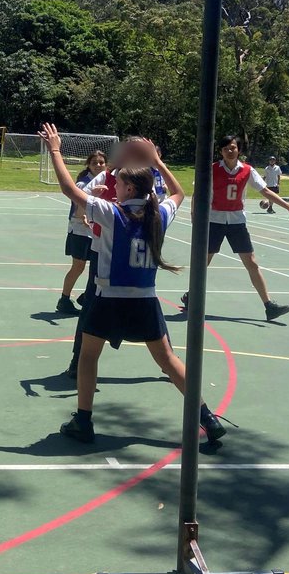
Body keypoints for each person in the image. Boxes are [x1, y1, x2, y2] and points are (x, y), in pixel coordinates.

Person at [40, 124, 226, 446]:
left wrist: (56, 150)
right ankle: (207, 416)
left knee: (88, 356)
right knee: (168, 361)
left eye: (120, 183)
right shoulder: (158, 215)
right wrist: (158, 162)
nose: (116, 187)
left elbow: (69, 189)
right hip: (145, 302)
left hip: (108, 299)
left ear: (127, 188)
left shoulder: (111, 213)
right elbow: (179, 193)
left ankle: (83, 420)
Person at [180, 134, 289, 321]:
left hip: (237, 221)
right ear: (221, 152)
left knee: (251, 263)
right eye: (226, 149)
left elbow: (265, 190)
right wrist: (194, 215)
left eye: (233, 147)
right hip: (214, 220)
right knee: (203, 262)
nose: (230, 151)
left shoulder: (247, 170)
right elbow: (198, 193)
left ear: (238, 149)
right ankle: (191, 295)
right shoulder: (212, 169)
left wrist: (288, 207)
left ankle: (269, 306)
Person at [66, 137, 157, 376]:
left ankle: (166, 359)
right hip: (104, 254)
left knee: (147, 309)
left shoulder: (146, 178)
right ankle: (78, 359)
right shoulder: (107, 176)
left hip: (136, 256)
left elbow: (162, 205)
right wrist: (88, 206)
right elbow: (79, 199)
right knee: (90, 310)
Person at [56, 149, 107, 315]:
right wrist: (86, 217)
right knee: (78, 267)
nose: (98, 165)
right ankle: (64, 299)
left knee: (98, 267)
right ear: (88, 165)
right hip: (80, 231)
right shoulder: (83, 184)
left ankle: (87, 297)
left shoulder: (106, 181)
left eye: (101, 162)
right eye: (94, 163)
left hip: (96, 232)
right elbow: (78, 210)